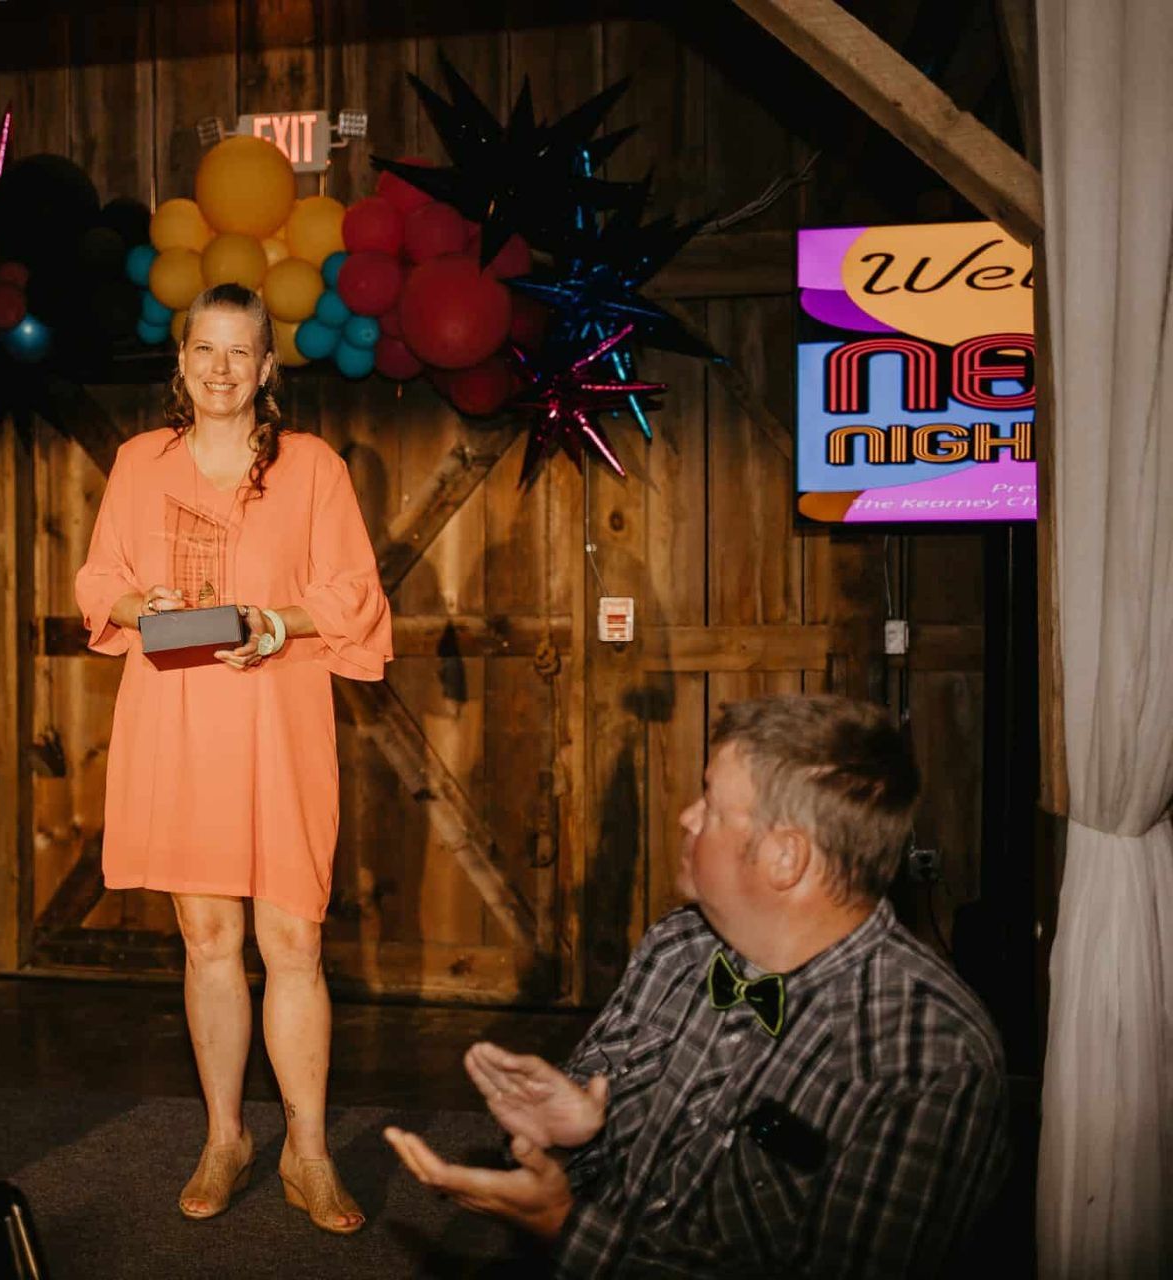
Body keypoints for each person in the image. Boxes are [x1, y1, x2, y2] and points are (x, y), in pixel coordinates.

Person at [387, 693, 1008, 1276]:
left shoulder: (927, 1055)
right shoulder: (677, 947)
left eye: (709, 805)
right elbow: (597, 1173)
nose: (686, 816)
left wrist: (564, 1227)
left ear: (785, 857)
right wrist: (566, 1140)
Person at [75, 283, 393, 1233]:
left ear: (265, 369)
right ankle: (225, 1136)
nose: (219, 369)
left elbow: (352, 595)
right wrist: (148, 609)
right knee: (207, 943)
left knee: (292, 941)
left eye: (238, 353)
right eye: (202, 351)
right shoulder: (139, 463)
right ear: (182, 363)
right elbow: (100, 580)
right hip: (176, 716)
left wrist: (272, 620)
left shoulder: (312, 466)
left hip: (277, 715)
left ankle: (308, 1151)